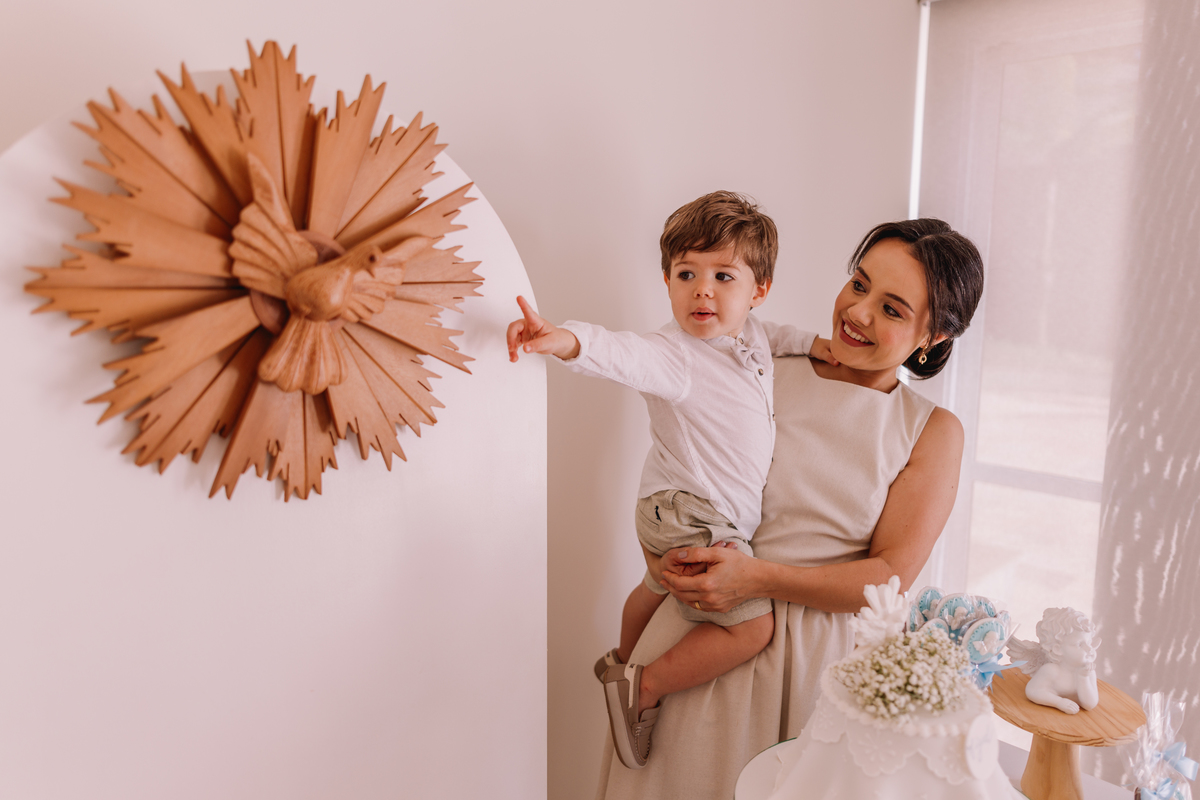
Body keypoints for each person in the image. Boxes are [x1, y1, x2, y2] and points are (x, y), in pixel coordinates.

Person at [594, 218, 985, 799]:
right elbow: (682, 459)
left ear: (935, 339)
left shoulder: (929, 431)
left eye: (893, 309)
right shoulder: (760, 365)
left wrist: (755, 578)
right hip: (695, 636)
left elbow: (890, 577)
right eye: (859, 284)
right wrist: (664, 555)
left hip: (810, 673)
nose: (858, 313)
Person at [506, 191, 834, 770]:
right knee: (754, 628)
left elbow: (778, 336)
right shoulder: (675, 354)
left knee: (654, 586)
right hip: (691, 511)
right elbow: (619, 352)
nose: (701, 289)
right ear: (666, 280)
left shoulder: (753, 336)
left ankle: (621, 662)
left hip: (667, 507)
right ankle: (646, 685)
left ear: (758, 291)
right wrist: (565, 340)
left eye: (722, 276)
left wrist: (816, 345)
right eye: (686, 273)